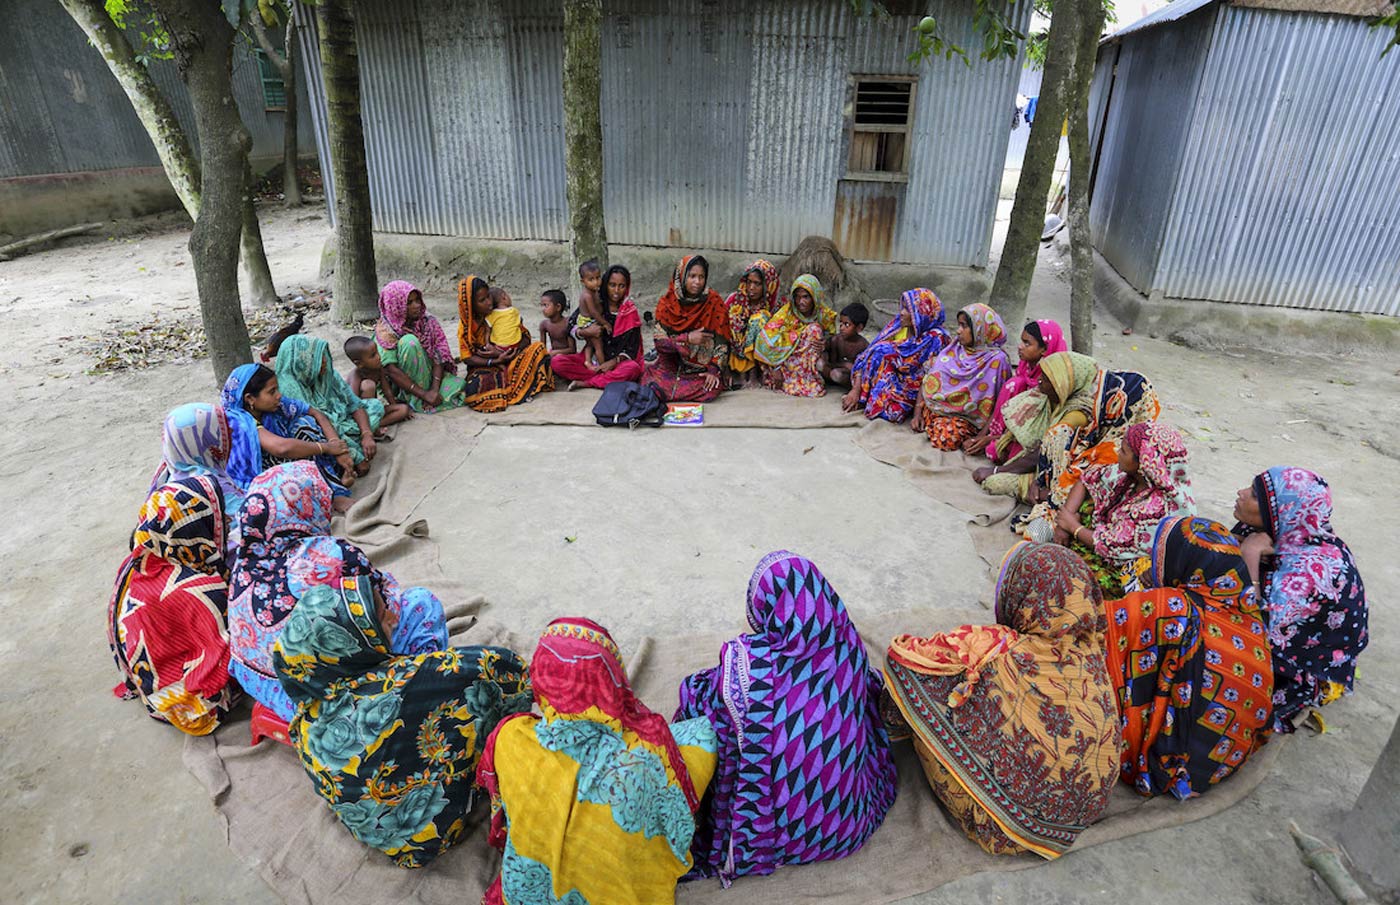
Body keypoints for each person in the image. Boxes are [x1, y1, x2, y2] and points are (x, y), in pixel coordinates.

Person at [273, 579, 532, 868]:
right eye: (384, 620)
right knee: (476, 704)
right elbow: (503, 668)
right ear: (350, 644)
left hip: (375, 833)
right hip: (433, 834)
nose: (395, 620)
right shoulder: (406, 684)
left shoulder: (306, 719)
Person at [883, 543, 1119, 858]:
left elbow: (905, 658)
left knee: (917, 679)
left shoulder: (997, 646)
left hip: (999, 826)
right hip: (1077, 819)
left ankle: (894, 731)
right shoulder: (1093, 653)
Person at [674, 551, 897, 884]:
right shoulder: (848, 647)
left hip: (772, 836)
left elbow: (713, 706)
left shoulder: (749, 666)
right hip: (849, 825)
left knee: (701, 695)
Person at [477, 617, 719, 905]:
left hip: (523, 895)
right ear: (611, 679)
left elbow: (499, 800)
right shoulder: (647, 757)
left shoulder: (510, 737)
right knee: (701, 736)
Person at [227, 462, 450, 721]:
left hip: (260, 685)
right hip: (320, 700)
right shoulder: (334, 556)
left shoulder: (244, 558)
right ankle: (423, 690)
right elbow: (380, 608)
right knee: (422, 604)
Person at [1106, 517, 1273, 799]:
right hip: (1224, 759)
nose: (1151, 560)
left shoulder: (1169, 606)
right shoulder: (1250, 616)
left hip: (1164, 761)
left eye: (1158, 556)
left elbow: (1097, 626)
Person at [1233, 467, 1368, 732]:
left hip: (1298, 664)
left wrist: (1249, 555)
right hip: (1275, 629)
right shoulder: (1288, 531)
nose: (1241, 493)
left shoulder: (1314, 574)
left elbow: (1253, 631)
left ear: (1280, 510)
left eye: (1254, 496)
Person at [108, 476, 236, 736]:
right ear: (193, 526)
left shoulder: (139, 561)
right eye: (218, 515)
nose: (228, 521)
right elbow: (232, 652)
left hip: (150, 685)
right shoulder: (200, 589)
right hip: (193, 710)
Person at [1055, 422, 1195, 595]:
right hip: (1104, 540)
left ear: (1143, 462)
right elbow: (1087, 479)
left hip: (1123, 567)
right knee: (1088, 502)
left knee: (1073, 581)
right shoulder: (1131, 476)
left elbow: (1111, 546)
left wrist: (1072, 527)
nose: (1117, 453)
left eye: (1123, 451)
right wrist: (1065, 519)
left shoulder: (1158, 508)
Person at [221, 363, 356, 508]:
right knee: (298, 442)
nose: (279, 395)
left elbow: (317, 413)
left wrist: (338, 448)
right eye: (272, 391)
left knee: (305, 423)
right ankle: (329, 495)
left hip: (285, 465)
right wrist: (327, 448)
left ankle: (330, 488)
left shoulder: (277, 406)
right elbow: (281, 448)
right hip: (258, 478)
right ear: (250, 399)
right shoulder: (237, 421)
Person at [274, 335, 384, 474]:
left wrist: (367, 434)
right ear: (303, 362)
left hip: (342, 423)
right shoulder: (289, 389)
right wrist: (357, 458)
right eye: (318, 359)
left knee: (375, 406)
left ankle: (356, 444)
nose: (325, 361)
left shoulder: (328, 374)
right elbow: (321, 425)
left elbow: (354, 403)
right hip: (324, 435)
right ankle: (351, 451)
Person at [910, 303, 1012, 450]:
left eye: (964, 326)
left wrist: (981, 436)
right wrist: (917, 414)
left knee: (946, 439)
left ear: (980, 330)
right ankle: (932, 422)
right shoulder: (954, 348)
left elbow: (1000, 404)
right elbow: (928, 380)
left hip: (967, 418)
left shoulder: (997, 361)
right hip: (934, 408)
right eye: (959, 325)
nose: (958, 331)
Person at [964, 319, 1067, 462]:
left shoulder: (1051, 381)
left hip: (1033, 436)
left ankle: (999, 442)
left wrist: (990, 439)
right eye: (1021, 341)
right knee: (1013, 384)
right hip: (1008, 431)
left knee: (998, 452)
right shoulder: (1026, 367)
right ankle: (997, 440)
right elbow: (1002, 408)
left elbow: (1037, 428)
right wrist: (982, 435)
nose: (1020, 347)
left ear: (1045, 349)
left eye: (1027, 343)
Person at [840, 288, 947, 422]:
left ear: (922, 312)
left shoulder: (936, 339)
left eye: (908, 309)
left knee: (892, 412)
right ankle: (863, 397)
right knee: (879, 351)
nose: (901, 313)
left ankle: (878, 401)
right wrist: (855, 390)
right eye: (902, 308)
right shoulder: (898, 325)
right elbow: (867, 355)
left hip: (915, 389)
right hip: (892, 380)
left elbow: (930, 376)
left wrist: (918, 413)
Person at [456, 274, 555, 412]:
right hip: (486, 366)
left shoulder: (505, 314)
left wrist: (506, 351)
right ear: (471, 305)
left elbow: (525, 338)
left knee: (538, 348)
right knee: (474, 390)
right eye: (482, 300)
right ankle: (517, 387)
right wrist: (495, 360)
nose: (489, 302)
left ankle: (512, 386)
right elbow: (468, 358)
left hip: (512, 356)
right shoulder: (466, 328)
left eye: (488, 297)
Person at [642, 255, 730, 403]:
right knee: (652, 384)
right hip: (670, 366)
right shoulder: (666, 304)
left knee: (711, 388)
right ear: (681, 277)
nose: (697, 282)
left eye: (701, 277)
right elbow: (660, 344)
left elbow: (723, 343)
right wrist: (687, 338)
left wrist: (713, 371)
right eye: (692, 276)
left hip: (699, 371)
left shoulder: (714, 302)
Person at [151, 403, 247, 535]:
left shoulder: (170, 473)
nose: (230, 431)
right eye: (220, 429)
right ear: (205, 439)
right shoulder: (214, 485)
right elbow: (250, 523)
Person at [375, 280, 470, 413]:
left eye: (417, 300)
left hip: (429, 377)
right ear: (395, 306)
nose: (417, 305)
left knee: (463, 387)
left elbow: (439, 354)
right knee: (410, 342)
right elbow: (391, 370)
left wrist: (434, 390)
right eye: (409, 303)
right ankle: (415, 398)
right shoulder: (385, 332)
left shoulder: (427, 322)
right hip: (403, 385)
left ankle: (429, 397)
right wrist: (423, 394)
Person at [550, 263, 645, 390]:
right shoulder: (595, 303)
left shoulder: (630, 312)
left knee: (632, 369)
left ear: (627, 288)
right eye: (612, 285)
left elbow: (632, 348)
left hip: (617, 364)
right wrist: (586, 332)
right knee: (557, 362)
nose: (616, 291)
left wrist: (613, 362)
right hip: (592, 363)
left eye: (621, 286)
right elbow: (571, 324)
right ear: (606, 285)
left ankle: (587, 383)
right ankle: (603, 379)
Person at [753, 274, 840, 397]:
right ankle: (795, 380)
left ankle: (809, 378)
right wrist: (775, 368)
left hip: (809, 360)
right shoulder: (787, 313)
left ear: (815, 297)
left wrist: (824, 343)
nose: (800, 302)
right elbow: (764, 341)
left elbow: (832, 337)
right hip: (785, 361)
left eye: (805, 297)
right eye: (797, 297)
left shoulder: (823, 314)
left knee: (815, 330)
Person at [725, 259, 781, 385]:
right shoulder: (735, 300)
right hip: (733, 355)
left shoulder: (774, 306)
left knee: (759, 319)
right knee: (733, 317)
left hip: (761, 360)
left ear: (767, 285)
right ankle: (738, 373)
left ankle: (753, 373)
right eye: (749, 282)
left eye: (757, 284)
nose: (751, 288)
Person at [823, 302, 869, 388]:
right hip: (830, 371)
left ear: (859, 328)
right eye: (841, 323)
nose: (841, 328)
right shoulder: (835, 340)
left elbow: (862, 369)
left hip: (845, 375)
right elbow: (830, 361)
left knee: (837, 374)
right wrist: (844, 364)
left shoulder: (863, 345)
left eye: (847, 325)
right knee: (821, 363)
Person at [573, 259, 607, 366]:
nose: (596, 282)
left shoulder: (595, 291)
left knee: (589, 344)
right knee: (598, 346)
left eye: (598, 278)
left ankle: (587, 361)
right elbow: (593, 312)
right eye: (591, 279)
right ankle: (603, 368)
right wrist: (605, 323)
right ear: (583, 281)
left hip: (590, 320)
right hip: (589, 322)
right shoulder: (587, 295)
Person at [537, 289, 576, 358]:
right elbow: (542, 347)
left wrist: (556, 352)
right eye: (541, 305)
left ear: (558, 307)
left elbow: (572, 349)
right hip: (553, 354)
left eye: (546, 305)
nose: (543, 309)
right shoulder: (544, 324)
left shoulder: (567, 323)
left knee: (557, 362)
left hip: (567, 357)